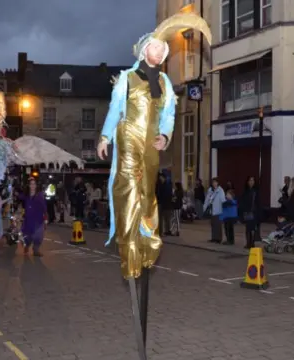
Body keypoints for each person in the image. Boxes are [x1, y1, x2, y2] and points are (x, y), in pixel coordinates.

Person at [96, 14, 210, 279]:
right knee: (127, 189)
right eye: (154, 48)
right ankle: (128, 249)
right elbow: (115, 109)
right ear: (145, 49)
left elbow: (169, 115)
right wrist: (105, 137)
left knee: (148, 194)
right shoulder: (127, 77)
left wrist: (166, 136)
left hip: (150, 143)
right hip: (128, 136)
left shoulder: (165, 83)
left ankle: (147, 244)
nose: (158, 53)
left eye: (162, 50)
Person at [18, 178, 47, 256]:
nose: (33, 186)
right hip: (28, 218)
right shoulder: (26, 194)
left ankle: (36, 250)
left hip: (38, 219)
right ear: (29, 185)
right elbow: (19, 196)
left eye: (34, 184)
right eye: (31, 184)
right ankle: (27, 246)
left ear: (36, 185)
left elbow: (44, 207)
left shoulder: (40, 195)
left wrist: (45, 218)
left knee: (38, 235)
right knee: (28, 235)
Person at [239, 176, 259, 249]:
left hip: (253, 212)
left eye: (253, 180)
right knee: (248, 228)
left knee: (252, 228)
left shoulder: (256, 191)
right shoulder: (246, 191)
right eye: (250, 180)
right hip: (247, 212)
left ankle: (252, 243)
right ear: (247, 182)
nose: (251, 182)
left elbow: (258, 203)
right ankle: (248, 243)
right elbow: (242, 202)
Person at [204, 178, 225, 244]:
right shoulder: (210, 190)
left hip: (218, 210)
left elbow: (222, 199)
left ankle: (218, 239)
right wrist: (204, 207)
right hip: (212, 209)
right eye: (213, 182)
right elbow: (207, 199)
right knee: (213, 224)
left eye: (215, 182)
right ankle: (214, 237)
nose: (214, 183)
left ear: (218, 183)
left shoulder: (220, 190)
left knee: (218, 225)